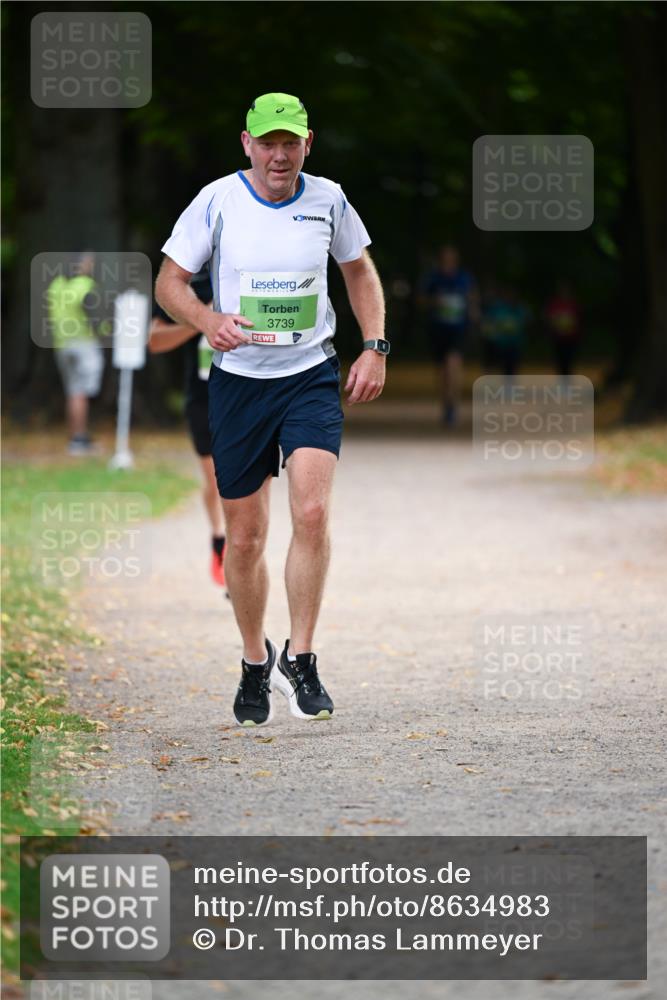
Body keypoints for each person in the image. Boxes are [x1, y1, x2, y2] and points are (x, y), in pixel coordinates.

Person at [155, 92, 388, 726]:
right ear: (248, 144)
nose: (279, 154)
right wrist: (206, 319)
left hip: (309, 374)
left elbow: (359, 272)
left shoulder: (329, 199)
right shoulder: (217, 201)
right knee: (248, 535)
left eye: (291, 143)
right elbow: (169, 282)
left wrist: (374, 346)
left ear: (307, 143)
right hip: (236, 383)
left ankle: (302, 658)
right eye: (268, 142)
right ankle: (255, 662)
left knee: (311, 512)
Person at [148, 268, 227, 588]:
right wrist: (200, 321)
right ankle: (219, 541)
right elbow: (154, 340)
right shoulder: (189, 286)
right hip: (203, 397)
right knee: (216, 482)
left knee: (243, 481)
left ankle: (238, 558)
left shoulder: (257, 275)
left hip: (248, 395)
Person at [47, 252, 105, 455]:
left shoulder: (57, 285)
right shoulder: (85, 286)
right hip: (83, 344)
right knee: (81, 393)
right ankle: (79, 440)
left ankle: (77, 436)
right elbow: (95, 315)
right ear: (82, 265)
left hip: (62, 345)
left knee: (73, 392)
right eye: (90, 263)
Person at [422, 245, 478, 426]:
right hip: (438, 329)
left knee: (454, 363)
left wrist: (474, 313)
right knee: (442, 370)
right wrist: (434, 301)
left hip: (458, 329)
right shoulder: (433, 278)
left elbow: (472, 297)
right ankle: (446, 402)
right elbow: (420, 300)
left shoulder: (464, 278)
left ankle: (453, 404)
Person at [544, 281, 581, 381]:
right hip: (558, 338)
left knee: (569, 361)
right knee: (560, 361)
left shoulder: (573, 304)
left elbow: (578, 319)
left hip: (571, 338)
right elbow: (549, 318)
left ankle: (567, 381)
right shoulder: (555, 304)